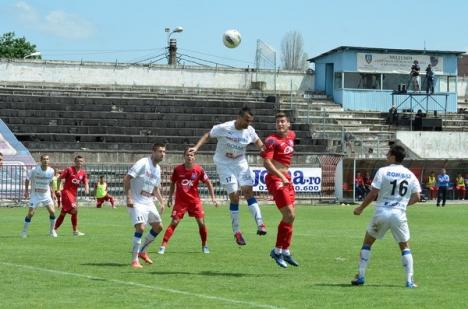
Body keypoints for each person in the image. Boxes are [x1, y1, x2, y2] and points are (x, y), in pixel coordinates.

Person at [188, 106, 266, 246]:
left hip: (240, 162)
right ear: (239, 117)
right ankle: (237, 231)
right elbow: (207, 135)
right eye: (246, 120)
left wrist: (264, 149)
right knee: (235, 196)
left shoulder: (249, 131)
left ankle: (260, 224)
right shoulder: (224, 127)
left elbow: (258, 141)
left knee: (248, 191)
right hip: (224, 164)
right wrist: (196, 147)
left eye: (250, 121)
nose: (248, 123)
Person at [351, 145, 421, 288]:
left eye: (388, 154)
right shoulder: (410, 174)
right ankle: (409, 280)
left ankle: (361, 276)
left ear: (393, 156)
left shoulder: (383, 171)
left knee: (367, 243)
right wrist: (402, 205)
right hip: (399, 214)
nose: (386, 156)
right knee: (404, 246)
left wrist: (360, 208)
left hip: (382, 212)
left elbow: (373, 193)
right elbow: (417, 196)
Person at [158, 149, 219, 255]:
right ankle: (163, 246)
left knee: (201, 223)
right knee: (174, 223)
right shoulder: (178, 169)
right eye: (187, 155)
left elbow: (209, 183)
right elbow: (172, 183)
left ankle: (204, 245)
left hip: (194, 202)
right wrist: (169, 198)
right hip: (180, 202)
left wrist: (213, 198)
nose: (189, 157)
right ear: (184, 156)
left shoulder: (199, 170)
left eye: (191, 155)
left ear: (194, 157)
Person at [262, 112, 300, 268]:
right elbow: (267, 163)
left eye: (283, 121)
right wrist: (281, 176)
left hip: (287, 178)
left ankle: (285, 251)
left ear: (288, 124)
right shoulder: (271, 140)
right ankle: (277, 251)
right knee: (288, 214)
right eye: (278, 122)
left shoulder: (292, 135)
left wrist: (286, 176)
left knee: (292, 216)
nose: (280, 124)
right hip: (275, 179)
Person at [123, 143, 166, 269]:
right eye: (160, 151)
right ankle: (134, 260)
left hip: (148, 202)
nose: (162, 154)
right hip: (136, 201)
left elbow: (155, 187)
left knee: (158, 227)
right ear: (153, 152)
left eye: (164, 152)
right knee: (141, 228)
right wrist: (129, 197)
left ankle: (142, 250)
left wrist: (161, 201)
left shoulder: (157, 169)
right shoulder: (143, 162)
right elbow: (127, 179)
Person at [21, 154, 57, 238]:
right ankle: (24, 231)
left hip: (46, 195)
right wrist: (26, 191)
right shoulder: (34, 170)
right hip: (35, 195)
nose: (46, 161)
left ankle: (52, 231)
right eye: (44, 159)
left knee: (52, 212)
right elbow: (27, 179)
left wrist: (53, 193)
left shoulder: (51, 171)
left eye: (47, 159)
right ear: (40, 161)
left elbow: (51, 182)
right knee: (31, 213)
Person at [53, 155, 89, 236]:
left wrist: (86, 189)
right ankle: (74, 231)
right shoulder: (69, 170)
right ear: (74, 162)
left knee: (64, 213)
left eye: (81, 161)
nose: (79, 163)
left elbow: (86, 182)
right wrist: (58, 189)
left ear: (83, 162)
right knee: (74, 210)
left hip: (73, 195)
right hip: (66, 193)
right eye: (77, 161)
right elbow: (59, 179)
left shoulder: (83, 172)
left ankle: (54, 229)